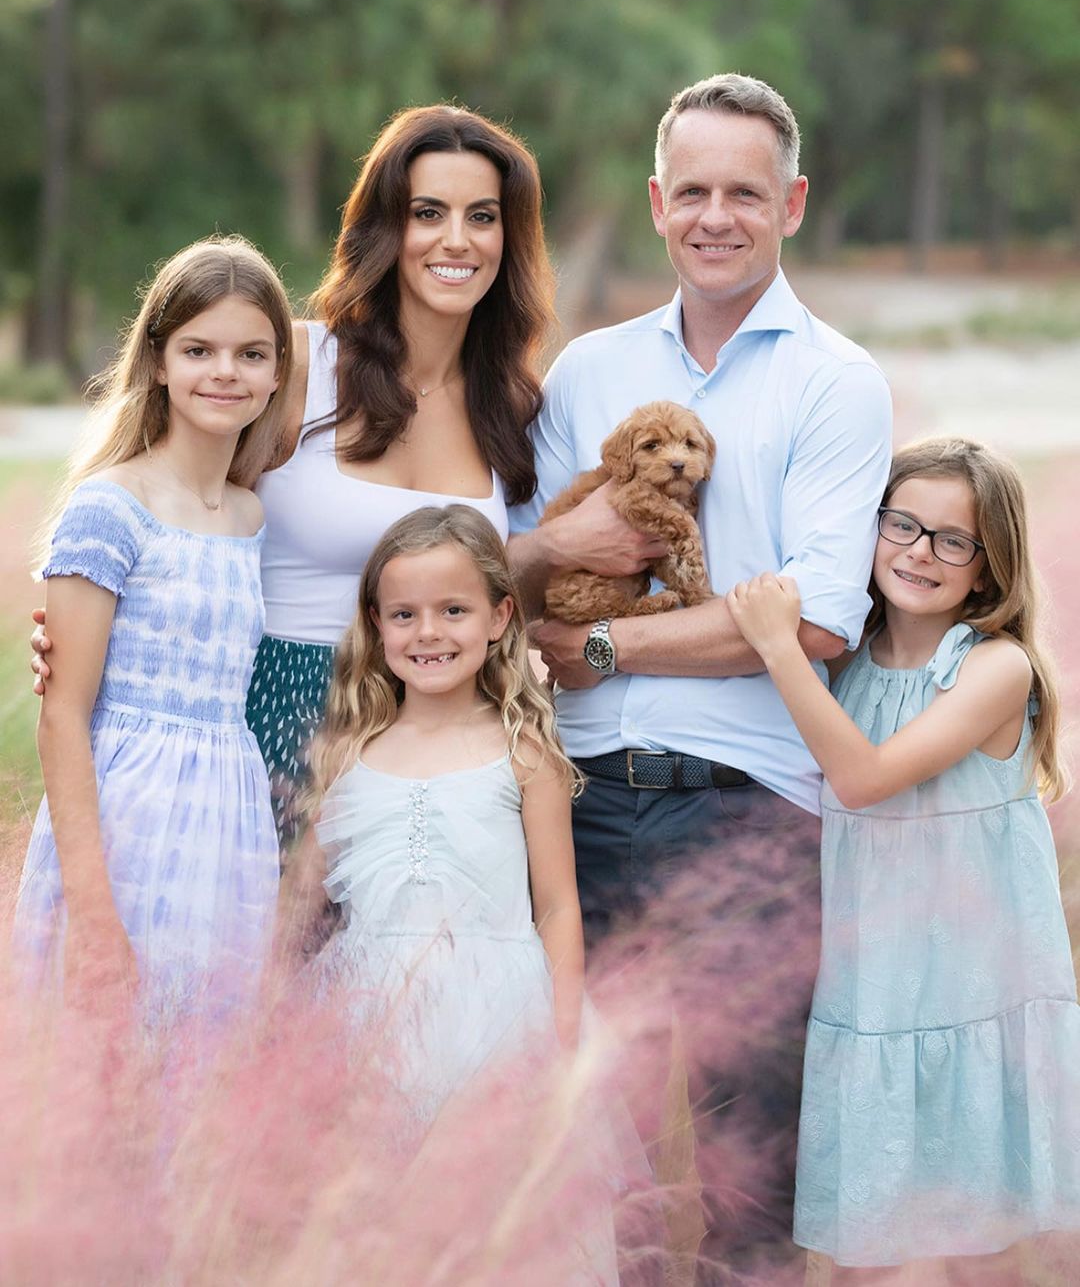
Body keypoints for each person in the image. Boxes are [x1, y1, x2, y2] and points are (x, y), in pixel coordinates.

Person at [507, 73, 893, 1258]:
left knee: (743, 1173)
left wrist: (605, 644)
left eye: (744, 191)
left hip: (749, 816)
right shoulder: (588, 373)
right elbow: (525, 588)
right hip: (579, 810)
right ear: (658, 204)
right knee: (599, 1165)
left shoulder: (836, 382)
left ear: (792, 203)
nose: (715, 214)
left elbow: (818, 624)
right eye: (693, 192)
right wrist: (564, 595)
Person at [32, 104, 556, 850]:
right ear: (385, 228)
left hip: (423, 733)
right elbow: (169, 501)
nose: (456, 240)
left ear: (510, 236)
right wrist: (99, 630)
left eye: (483, 216)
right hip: (268, 719)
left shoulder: (510, 404)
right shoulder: (302, 366)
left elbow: (504, 593)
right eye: (427, 212)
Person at [728, 437, 1078, 1281]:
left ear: (989, 568)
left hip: (969, 986)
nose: (920, 552)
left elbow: (863, 778)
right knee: (874, 1242)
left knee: (973, 1240)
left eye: (953, 540)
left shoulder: (996, 669)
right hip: (875, 987)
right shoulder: (846, 664)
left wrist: (778, 646)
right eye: (903, 526)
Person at [273, 506, 629, 1281]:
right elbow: (301, 901)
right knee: (383, 1224)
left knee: (502, 1226)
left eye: (453, 611)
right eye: (404, 614)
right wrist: (276, 1010)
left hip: (501, 1016)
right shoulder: (347, 753)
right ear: (376, 623)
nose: (428, 632)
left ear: (502, 617)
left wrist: (563, 1037)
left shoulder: (522, 751)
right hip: (371, 1017)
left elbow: (558, 906)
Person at [15, 236, 292, 1022]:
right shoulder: (111, 506)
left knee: (194, 1069)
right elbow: (63, 714)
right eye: (198, 349)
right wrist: (94, 913)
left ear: (277, 373)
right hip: (125, 819)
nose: (225, 372)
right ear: (159, 361)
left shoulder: (250, 515)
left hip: (226, 827)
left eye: (251, 353)